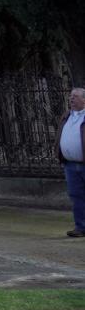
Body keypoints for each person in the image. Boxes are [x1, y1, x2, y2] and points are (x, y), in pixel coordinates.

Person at [60, 86, 85, 239]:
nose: (71, 99)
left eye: (75, 96)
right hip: (70, 165)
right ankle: (80, 226)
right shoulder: (67, 116)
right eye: (71, 96)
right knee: (76, 196)